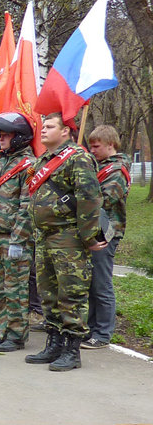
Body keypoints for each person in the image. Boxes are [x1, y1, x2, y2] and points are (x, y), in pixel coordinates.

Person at [24, 113, 105, 371]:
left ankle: (72, 350)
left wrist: (90, 235)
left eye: (50, 127)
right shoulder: (44, 160)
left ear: (66, 132)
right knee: (48, 293)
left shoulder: (78, 158)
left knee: (71, 293)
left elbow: (90, 199)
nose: (43, 131)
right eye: (42, 127)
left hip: (68, 236)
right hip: (45, 236)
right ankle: (55, 342)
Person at [0, 112, 36, 350]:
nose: (0, 140)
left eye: (6, 135)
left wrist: (18, 239)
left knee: (15, 289)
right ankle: (4, 330)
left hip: (15, 239)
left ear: (20, 137)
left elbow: (27, 205)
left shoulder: (28, 166)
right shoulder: (1, 163)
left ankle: (17, 334)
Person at [84, 124, 131, 349]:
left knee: (101, 284)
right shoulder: (99, 166)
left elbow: (106, 198)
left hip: (106, 232)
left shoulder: (117, 170)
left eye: (96, 146)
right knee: (92, 283)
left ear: (110, 144)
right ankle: (92, 328)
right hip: (93, 230)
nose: (92, 150)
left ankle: (102, 333)